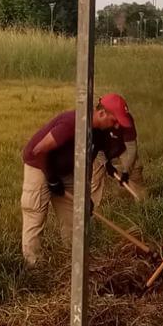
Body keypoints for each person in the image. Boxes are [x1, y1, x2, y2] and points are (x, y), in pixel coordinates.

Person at [20, 92, 133, 265]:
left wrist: (85, 196)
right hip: (40, 166)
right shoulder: (72, 123)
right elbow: (39, 150)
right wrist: (51, 178)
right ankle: (34, 265)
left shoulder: (100, 132)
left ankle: (72, 262)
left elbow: (90, 161)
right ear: (102, 113)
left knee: (75, 215)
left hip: (65, 169)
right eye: (114, 120)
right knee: (36, 216)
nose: (116, 126)